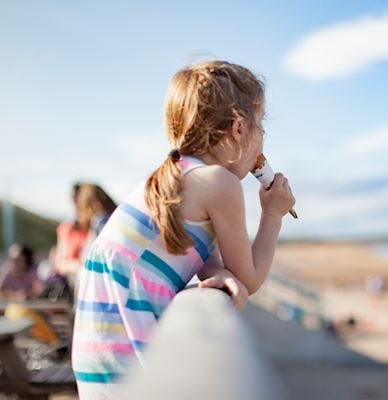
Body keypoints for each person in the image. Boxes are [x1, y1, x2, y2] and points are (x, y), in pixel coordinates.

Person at [71, 60, 295, 399]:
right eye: (260, 122)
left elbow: (187, 252)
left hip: (101, 349)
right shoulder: (219, 184)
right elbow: (249, 279)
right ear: (238, 128)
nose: (263, 134)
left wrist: (218, 269)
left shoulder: (177, 176)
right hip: (128, 358)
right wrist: (272, 215)